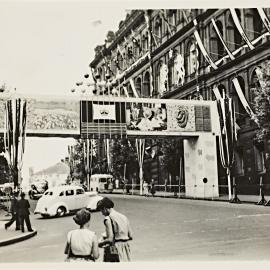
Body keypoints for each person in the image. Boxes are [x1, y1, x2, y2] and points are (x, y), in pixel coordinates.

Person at [97, 197, 133, 262]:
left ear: (105, 208)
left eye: (101, 211)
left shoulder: (108, 219)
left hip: (114, 248)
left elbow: (110, 239)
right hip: (125, 248)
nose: (102, 213)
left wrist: (100, 243)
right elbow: (130, 236)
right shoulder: (123, 217)